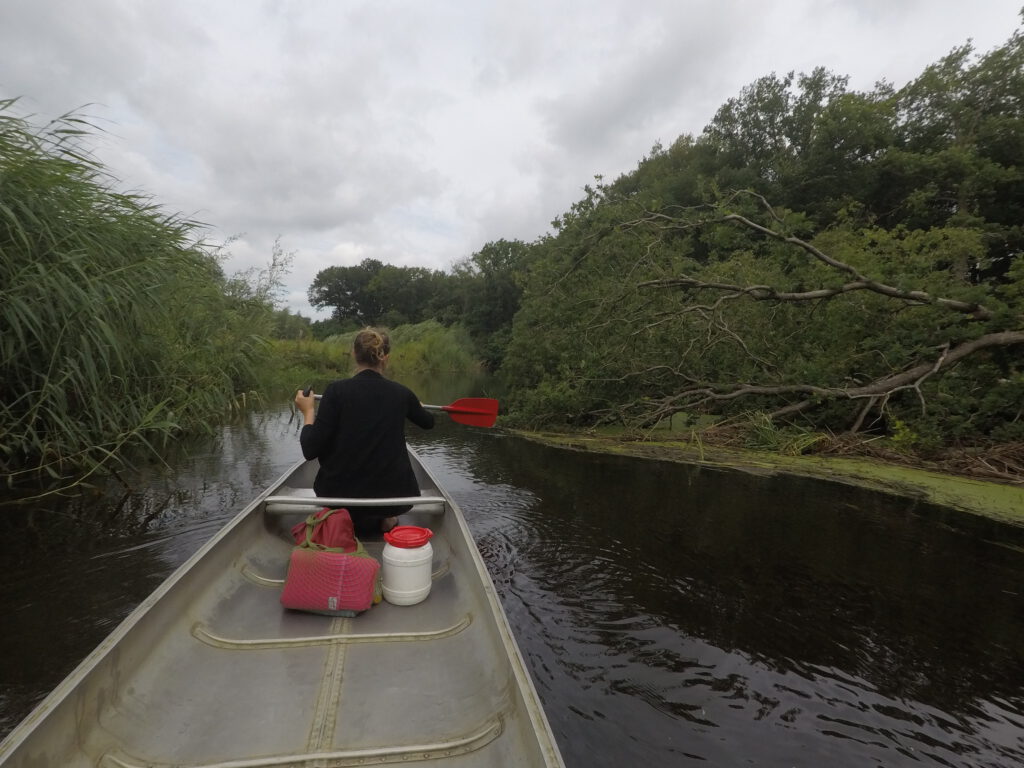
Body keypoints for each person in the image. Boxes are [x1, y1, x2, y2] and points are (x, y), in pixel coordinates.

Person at [293, 327, 434, 536]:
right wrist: (414, 405)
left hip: (338, 498)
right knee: (386, 499)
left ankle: (346, 520)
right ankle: (387, 519)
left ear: (353, 353)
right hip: (395, 500)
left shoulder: (336, 392)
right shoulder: (402, 394)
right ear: (386, 357)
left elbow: (310, 449)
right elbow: (428, 422)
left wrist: (308, 410)